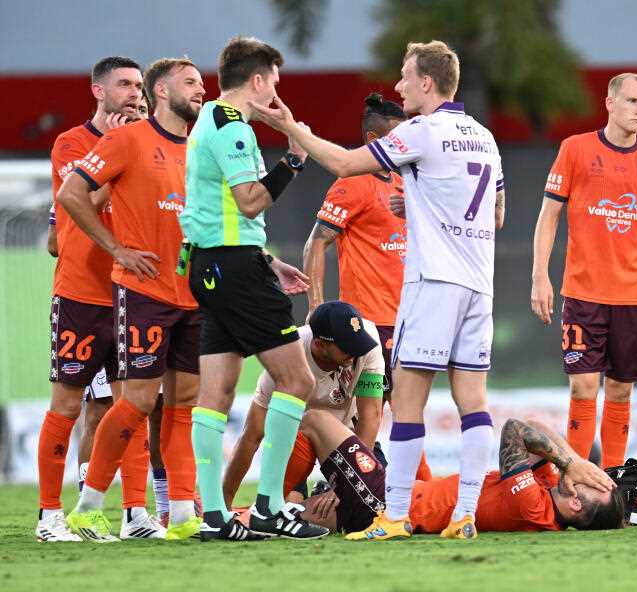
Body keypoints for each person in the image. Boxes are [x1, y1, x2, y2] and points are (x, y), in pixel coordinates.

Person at [253, 39, 505, 540]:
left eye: (406, 76)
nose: (398, 85)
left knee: (407, 403)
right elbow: (496, 214)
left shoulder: (423, 130)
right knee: (474, 403)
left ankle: (393, 517)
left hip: (434, 284)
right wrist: (427, 206)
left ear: (427, 82)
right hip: (479, 285)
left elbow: (345, 163)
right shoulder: (483, 136)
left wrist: (291, 128)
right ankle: (466, 514)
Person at [179, 36, 328, 541]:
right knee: (298, 381)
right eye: (275, 83)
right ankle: (268, 507)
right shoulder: (232, 125)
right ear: (259, 81)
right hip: (235, 268)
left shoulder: (208, 119)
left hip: (211, 265)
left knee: (217, 391)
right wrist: (294, 157)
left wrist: (267, 260)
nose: (277, 94)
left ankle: (214, 516)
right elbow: (248, 200)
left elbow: (219, 211)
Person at [58, 57, 207, 542]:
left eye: (202, 83)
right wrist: (116, 249)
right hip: (142, 292)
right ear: (161, 91)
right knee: (137, 402)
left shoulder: (201, 148)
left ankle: (181, 514)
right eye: (190, 83)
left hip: (192, 295)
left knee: (182, 406)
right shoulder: (127, 139)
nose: (201, 90)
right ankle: (87, 506)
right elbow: (71, 193)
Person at [531, 73, 637, 469]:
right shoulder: (575, 148)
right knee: (583, 386)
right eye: (632, 101)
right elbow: (549, 214)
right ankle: (579, 479)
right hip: (583, 293)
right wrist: (539, 275)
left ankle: (611, 478)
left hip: (635, 296)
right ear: (610, 103)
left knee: (620, 391)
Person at [36, 56, 151, 543]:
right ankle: (49, 516)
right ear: (98, 91)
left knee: (134, 406)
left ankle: (135, 513)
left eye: (139, 85)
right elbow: (79, 203)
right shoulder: (71, 144)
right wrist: (117, 149)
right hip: (81, 294)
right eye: (124, 84)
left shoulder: (148, 143)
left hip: (135, 294)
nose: (134, 92)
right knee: (68, 405)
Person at [303, 92, 431, 480]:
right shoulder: (353, 182)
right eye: (396, 137)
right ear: (374, 139)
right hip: (370, 323)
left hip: (407, 319)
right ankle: (370, 486)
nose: (404, 144)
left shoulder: (403, 182)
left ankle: (402, 488)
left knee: (402, 410)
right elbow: (316, 243)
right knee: (378, 411)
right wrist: (316, 310)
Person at [291, 407, 623, 537]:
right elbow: (536, 423)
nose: (588, 476)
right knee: (295, 515)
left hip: (386, 505)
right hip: (398, 498)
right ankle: (288, 503)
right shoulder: (550, 489)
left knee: (317, 420)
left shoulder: (533, 507)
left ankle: (279, 499)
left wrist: (570, 464)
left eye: (592, 483)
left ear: (576, 504)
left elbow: (514, 429)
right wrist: (577, 462)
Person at [223, 301, 384, 509]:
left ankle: (323, 493)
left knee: (373, 504)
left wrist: (349, 485)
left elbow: (370, 415)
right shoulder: (286, 357)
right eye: (347, 345)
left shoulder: (368, 343)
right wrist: (222, 505)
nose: (357, 349)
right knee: (288, 507)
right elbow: (251, 435)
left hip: (348, 437)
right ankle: (282, 504)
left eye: (357, 341)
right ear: (320, 345)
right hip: (297, 441)